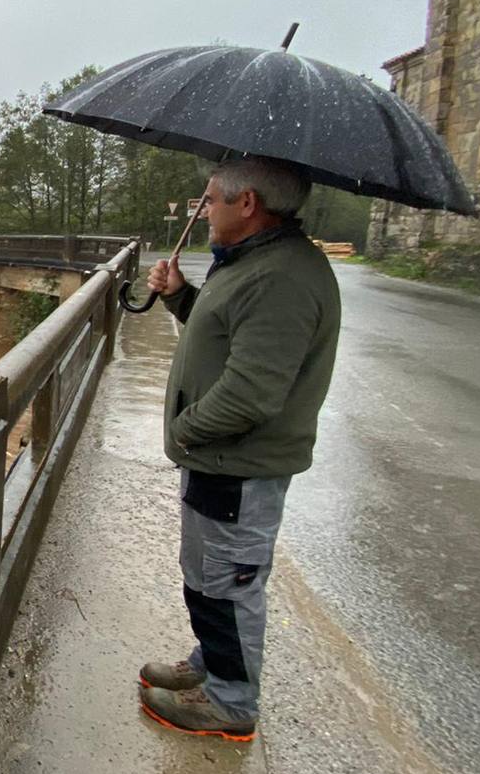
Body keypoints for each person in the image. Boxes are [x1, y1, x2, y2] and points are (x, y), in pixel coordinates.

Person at [137, 156, 341, 741]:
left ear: (246, 203)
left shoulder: (281, 278)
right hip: (220, 459)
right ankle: (213, 663)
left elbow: (251, 393)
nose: (204, 211)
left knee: (229, 581)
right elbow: (224, 334)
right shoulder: (255, 261)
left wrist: (183, 430)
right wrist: (180, 296)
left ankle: (230, 703)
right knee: (209, 574)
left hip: (237, 463)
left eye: (210, 200)